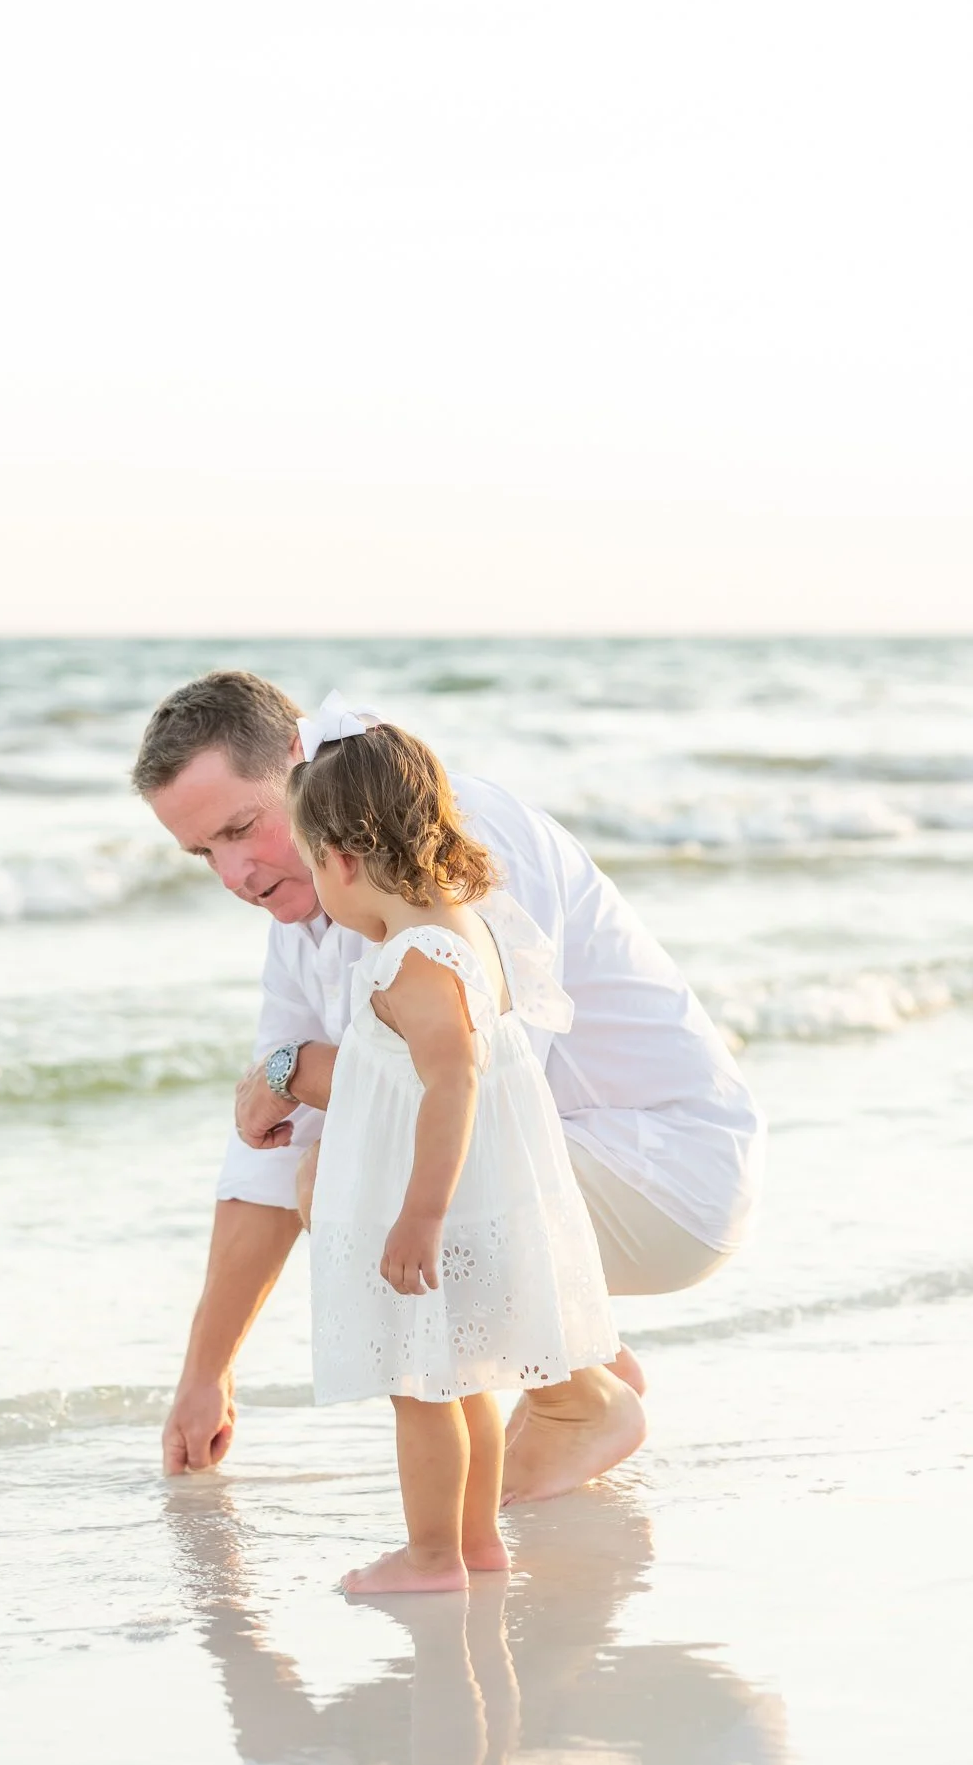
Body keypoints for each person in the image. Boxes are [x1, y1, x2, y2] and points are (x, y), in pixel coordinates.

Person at [132, 672, 765, 1501]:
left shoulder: (451, 837)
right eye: (203, 853)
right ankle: (582, 1366)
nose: (234, 875)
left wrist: (290, 1072)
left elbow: (482, 1094)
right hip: (562, 1179)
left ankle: (579, 1399)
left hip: (668, 1173)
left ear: (300, 761)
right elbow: (267, 1156)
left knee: (357, 1172)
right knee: (326, 1166)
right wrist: (205, 1376)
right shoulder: (312, 913)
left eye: (243, 829)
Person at [286, 705, 620, 1593]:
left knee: (421, 1389)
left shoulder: (415, 959)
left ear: (342, 860)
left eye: (311, 863)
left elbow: (456, 1079)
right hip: (472, 1197)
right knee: (461, 1375)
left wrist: (418, 1216)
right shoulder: (466, 925)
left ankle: (431, 1554)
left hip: (442, 1207)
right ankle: (475, 1544)